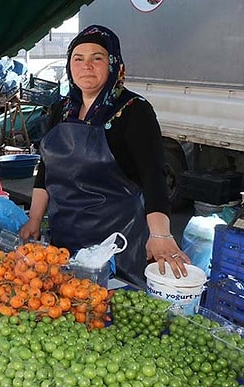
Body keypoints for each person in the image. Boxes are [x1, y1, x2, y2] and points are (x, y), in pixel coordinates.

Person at [18, 25, 190, 288]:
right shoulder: (60, 109)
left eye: (97, 58)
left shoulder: (134, 111)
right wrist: (34, 219)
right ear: (69, 65)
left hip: (117, 245)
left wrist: (160, 233)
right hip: (64, 238)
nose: (86, 65)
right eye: (79, 58)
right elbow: (46, 170)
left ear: (113, 64)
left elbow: (154, 178)